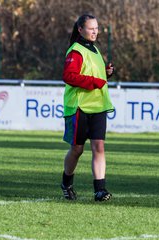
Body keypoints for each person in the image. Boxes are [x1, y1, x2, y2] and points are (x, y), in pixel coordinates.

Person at [60, 14, 115, 202]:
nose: (95, 31)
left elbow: (97, 77)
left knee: (99, 147)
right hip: (79, 106)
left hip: (98, 106)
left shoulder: (95, 50)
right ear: (80, 30)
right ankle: (66, 182)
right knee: (77, 149)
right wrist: (95, 81)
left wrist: (106, 74)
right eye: (91, 28)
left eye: (97, 28)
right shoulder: (76, 51)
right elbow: (69, 76)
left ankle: (100, 189)